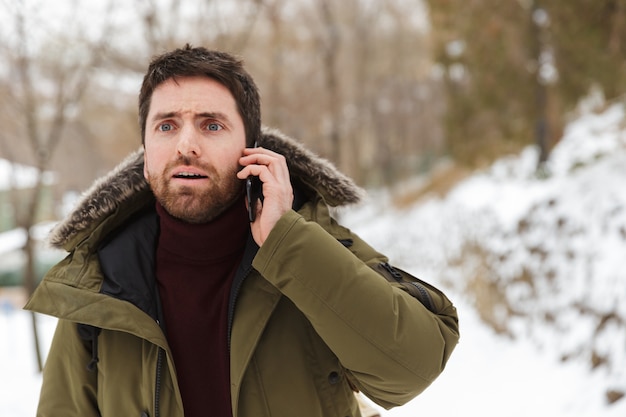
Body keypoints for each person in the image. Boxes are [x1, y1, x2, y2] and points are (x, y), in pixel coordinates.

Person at [25, 44, 459, 417]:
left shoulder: (308, 246)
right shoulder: (99, 283)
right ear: (145, 151)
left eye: (212, 125)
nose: (186, 145)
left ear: (251, 149)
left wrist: (287, 244)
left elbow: (411, 370)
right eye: (166, 125)